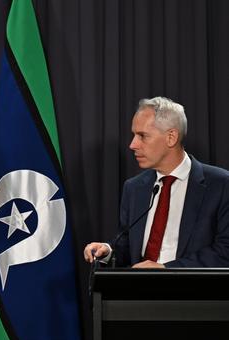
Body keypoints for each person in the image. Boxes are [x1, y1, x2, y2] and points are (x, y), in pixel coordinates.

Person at [84, 96, 229, 268]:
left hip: (194, 292)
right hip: (139, 292)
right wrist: (108, 251)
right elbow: (127, 246)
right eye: (134, 135)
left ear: (171, 137)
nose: (132, 144)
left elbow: (224, 251)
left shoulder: (221, 185)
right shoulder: (134, 187)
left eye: (142, 136)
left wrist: (166, 270)